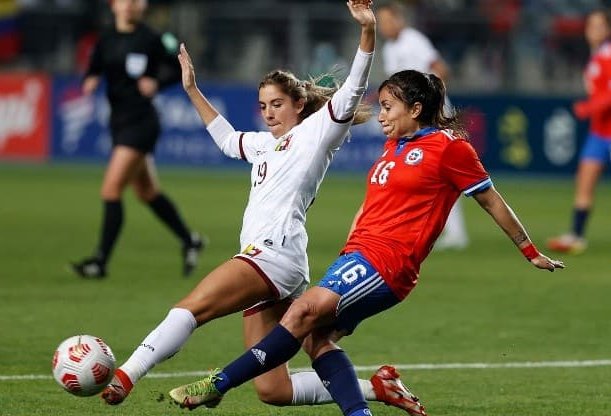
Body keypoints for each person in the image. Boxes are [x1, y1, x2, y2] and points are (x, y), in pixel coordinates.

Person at [167, 69, 565, 416]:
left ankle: (219, 383)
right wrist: (349, 244)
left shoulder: (449, 147)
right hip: (358, 256)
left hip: (389, 262)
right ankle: (368, 403)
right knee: (315, 338)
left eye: (389, 106)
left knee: (302, 312)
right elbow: (371, 206)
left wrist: (529, 251)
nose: (382, 115)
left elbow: (490, 198)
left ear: (415, 109)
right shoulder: (394, 148)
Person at [100, 1, 424, 413]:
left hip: (273, 254)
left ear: (298, 105)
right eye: (264, 105)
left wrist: (367, 32)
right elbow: (225, 138)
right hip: (279, 265)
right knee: (274, 390)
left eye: (277, 104)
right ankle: (378, 388)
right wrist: (191, 90)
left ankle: (126, 374)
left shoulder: (316, 132)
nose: (269, 113)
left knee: (191, 308)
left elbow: (356, 86)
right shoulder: (261, 144)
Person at [71, 0, 205, 278]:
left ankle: (100, 262)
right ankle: (190, 239)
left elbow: (177, 67)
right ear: (113, 5)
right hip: (118, 122)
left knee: (111, 190)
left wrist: (158, 82)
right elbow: (95, 66)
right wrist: (91, 79)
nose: (130, 5)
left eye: (135, 1)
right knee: (146, 192)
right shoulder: (106, 38)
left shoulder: (153, 38)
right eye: (124, 1)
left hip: (141, 123)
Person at [375, 1, 468, 251]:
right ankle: (416, 228)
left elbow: (440, 70)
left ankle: (455, 232)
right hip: (411, 116)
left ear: (399, 19)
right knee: (414, 169)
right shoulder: (390, 49)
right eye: (380, 22)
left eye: (387, 20)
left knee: (443, 170)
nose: (384, 27)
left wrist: (429, 105)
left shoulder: (412, 40)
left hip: (430, 114)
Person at [547, 8, 611, 255]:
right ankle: (576, 236)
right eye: (590, 26)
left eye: (598, 26)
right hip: (599, 133)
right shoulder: (596, 56)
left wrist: (588, 107)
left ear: (607, 29)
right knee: (584, 181)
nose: (592, 31)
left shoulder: (607, 56)